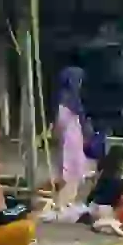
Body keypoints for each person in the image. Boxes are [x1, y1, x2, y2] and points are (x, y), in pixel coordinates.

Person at [53, 66, 89, 208]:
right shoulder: (70, 99)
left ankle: (65, 201)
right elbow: (66, 120)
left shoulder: (64, 97)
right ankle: (64, 201)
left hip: (70, 136)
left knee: (69, 167)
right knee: (70, 168)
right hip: (70, 137)